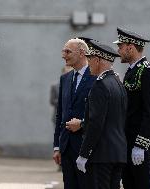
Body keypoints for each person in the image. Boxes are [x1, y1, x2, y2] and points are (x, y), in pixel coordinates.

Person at [69, 40, 128, 189]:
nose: (88, 64)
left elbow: (95, 123)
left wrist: (84, 153)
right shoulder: (117, 83)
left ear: (97, 60)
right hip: (117, 153)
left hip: (101, 155)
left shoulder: (100, 86)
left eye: (89, 60)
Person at [113, 27, 150, 189]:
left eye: (120, 47)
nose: (118, 50)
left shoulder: (147, 72)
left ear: (131, 47)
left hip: (142, 144)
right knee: (129, 184)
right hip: (129, 140)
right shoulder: (132, 71)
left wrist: (141, 144)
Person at [53, 38, 96, 189]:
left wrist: (82, 124)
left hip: (86, 147)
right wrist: (57, 146)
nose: (63, 55)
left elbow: (101, 114)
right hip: (66, 148)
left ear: (82, 53)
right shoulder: (65, 79)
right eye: (63, 51)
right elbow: (60, 114)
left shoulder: (96, 78)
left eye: (68, 51)